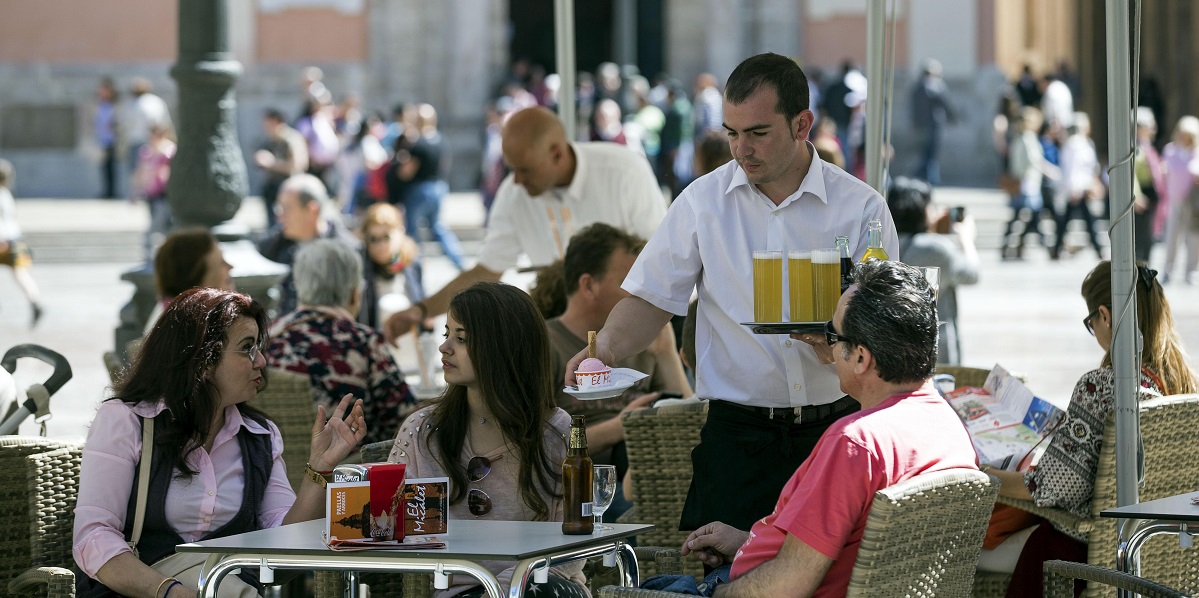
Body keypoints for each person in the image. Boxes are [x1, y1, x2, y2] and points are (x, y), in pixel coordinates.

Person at [566, 53, 899, 534]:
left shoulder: (861, 207)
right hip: (736, 438)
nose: (742, 148)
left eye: (758, 133)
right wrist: (605, 351)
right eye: (732, 133)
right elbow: (650, 299)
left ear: (802, 123)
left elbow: (888, 324)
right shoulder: (702, 202)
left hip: (838, 431)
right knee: (725, 581)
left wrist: (844, 346)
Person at [642, 260, 976, 597]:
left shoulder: (856, 443)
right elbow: (843, 547)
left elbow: (788, 584)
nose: (827, 346)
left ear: (860, 358)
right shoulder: (947, 425)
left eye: (832, 335)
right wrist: (748, 542)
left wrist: (714, 595)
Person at [73, 287, 368, 598]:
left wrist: (320, 469)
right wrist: (169, 592)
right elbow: (94, 536)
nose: (262, 361)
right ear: (203, 358)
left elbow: (282, 549)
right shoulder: (127, 420)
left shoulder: (259, 436)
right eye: (247, 348)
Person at [977, 261, 1198, 597]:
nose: (1094, 329)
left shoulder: (1101, 387)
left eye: (1090, 321)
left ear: (1105, 316)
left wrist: (981, 474)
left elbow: (1048, 488)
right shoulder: (1184, 386)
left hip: (1077, 558)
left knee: (965, 550)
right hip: (1155, 551)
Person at [384, 106, 667, 343]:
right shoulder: (513, 192)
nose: (516, 180)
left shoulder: (624, 172)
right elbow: (486, 270)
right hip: (559, 334)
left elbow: (656, 260)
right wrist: (421, 310)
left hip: (633, 329)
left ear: (557, 154)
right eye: (511, 169)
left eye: (525, 170)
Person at [386, 282, 587, 598]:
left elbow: (572, 548)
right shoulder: (423, 431)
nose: (445, 347)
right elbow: (394, 532)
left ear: (503, 346)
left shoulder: (555, 432)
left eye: (462, 338)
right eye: (446, 334)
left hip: (540, 589)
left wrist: (500, 591)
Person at [530, 223, 692, 519]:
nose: (642, 292)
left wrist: (667, 353)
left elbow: (689, 419)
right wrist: (622, 426)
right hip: (582, 485)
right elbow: (533, 447)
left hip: (654, 474)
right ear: (589, 285)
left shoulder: (644, 340)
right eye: (630, 281)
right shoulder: (544, 344)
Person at [266, 240, 415, 448]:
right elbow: (405, 420)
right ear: (355, 293)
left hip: (275, 470)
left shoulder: (267, 337)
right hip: (349, 474)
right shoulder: (364, 342)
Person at [886, 177, 979, 365]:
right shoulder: (934, 248)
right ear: (923, 209)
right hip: (934, 352)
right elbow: (972, 273)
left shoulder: (886, 243)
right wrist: (966, 238)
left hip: (895, 349)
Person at [257, 174, 361, 318]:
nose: (279, 216)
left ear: (312, 209)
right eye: (278, 207)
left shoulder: (348, 251)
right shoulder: (271, 247)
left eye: (287, 208)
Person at [145, 228, 234, 333]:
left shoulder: (172, 318)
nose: (230, 266)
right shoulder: (185, 334)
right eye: (221, 262)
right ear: (197, 278)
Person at [1000, 107, 1057, 260]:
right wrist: (1050, 171)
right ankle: (1047, 246)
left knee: (1025, 217)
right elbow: (1034, 161)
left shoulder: (1018, 138)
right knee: (1032, 215)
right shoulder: (1028, 138)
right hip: (1028, 183)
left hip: (1023, 182)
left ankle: (1012, 245)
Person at [358, 202, 424, 330]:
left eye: (386, 237)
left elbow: (421, 300)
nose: (380, 245)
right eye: (373, 239)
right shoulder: (361, 266)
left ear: (400, 232)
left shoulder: (410, 263)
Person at [1051, 112, 1104, 261]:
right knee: (1086, 220)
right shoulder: (1073, 145)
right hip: (1077, 189)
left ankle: (1056, 248)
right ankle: (1097, 248)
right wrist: (1073, 188)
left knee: (1078, 220)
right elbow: (1072, 168)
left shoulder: (1086, 143)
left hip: (1084, 188)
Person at [0, 159, 43, 327]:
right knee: (20, 273)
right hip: (15, 239)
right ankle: (35, 301)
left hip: (3, 239)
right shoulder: (8, 194)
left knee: (19, 273)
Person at [1160, 115, 1199, 284]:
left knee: (1193, 236)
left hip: (1193, 202)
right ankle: (1168, 269)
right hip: (1174, 200)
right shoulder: (1170, 150)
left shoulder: (1196, 152)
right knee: (1172, 236)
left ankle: (1191, 270)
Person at [254, 109, 309, 230]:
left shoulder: (292, 139)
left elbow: (297, 165)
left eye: (268, 125)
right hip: (273, 188)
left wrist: (271, 163)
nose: (266, 129)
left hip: (290, 188)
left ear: (276, 122)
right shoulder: (272, 141)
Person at [908, 59, 956, 186]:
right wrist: (953, 118)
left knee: (923, 153)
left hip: (919, 125)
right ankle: (931, 179)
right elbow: (945, 102)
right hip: (932, 125)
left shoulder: (917, 87)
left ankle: (922, 177)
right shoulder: (934, 85)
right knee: (931, 154)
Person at [132, 123, 176, 259]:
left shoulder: (169, 150)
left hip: (165, 193)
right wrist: (135, 192)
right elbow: (140, 171)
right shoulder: (146, 152)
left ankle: (150, 252)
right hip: (151, 192)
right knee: (164, 226)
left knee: (157, 224)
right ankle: (168, 253)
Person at [1133, 107, 1166, 264]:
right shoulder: (1134, 146)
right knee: (1142, 239)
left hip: (1152, 196)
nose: (1153, 129)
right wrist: (1136, 196)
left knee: (1149, 239)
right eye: (1150, 125)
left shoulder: (1146, 145)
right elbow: (1130, 173)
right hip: (1142, 197)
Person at [94, 77, 120, 199]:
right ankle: (106, 190)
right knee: (104, 167)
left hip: (112, 139)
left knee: (112, 166)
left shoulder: (115, 105)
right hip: (102, 139)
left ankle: (112, 191)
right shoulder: (99, 104)